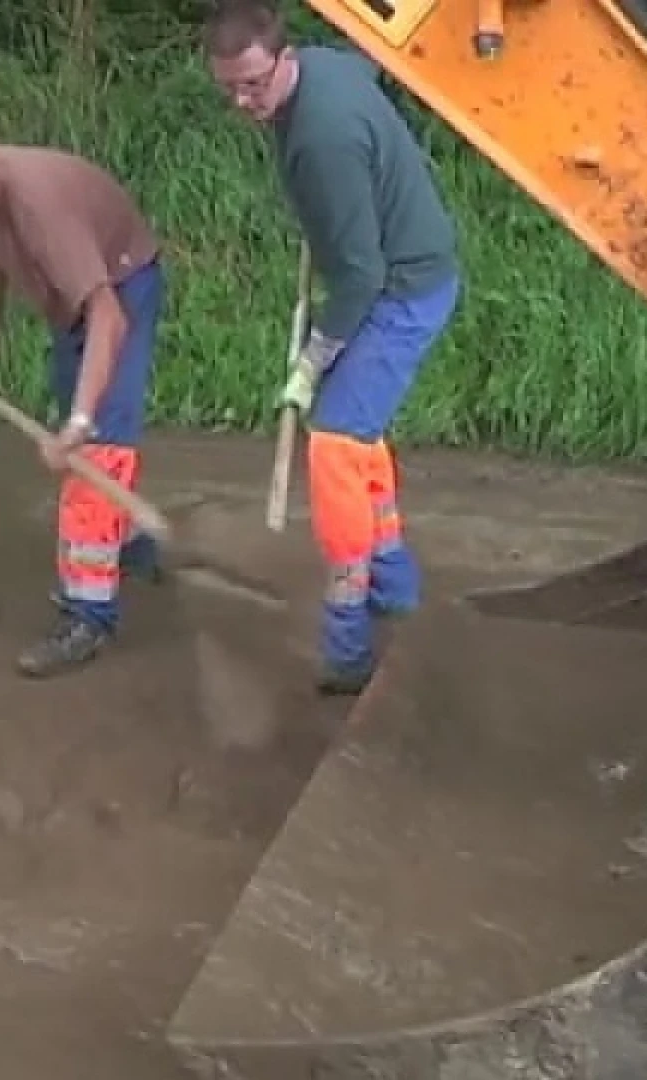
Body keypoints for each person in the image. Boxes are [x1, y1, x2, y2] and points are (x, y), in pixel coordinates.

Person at [203, 0, 463, 696]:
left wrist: (311, 362)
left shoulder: (322, 139)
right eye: (228, 86)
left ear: (284, 59)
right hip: (396, 271)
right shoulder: (323, 67)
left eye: (254, 83)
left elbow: (360, 276)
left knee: (337, 442)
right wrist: (331, 222)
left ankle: (349, 643)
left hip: (403, 290)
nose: (242, 99)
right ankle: (397, 590)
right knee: (358, 424)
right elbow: (366, 71)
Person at [0, 103, 167, 678]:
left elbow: (109, 318)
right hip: (68, 297)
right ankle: (129, 543)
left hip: (121, 285)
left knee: (94, 449)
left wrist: (78, 426)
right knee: (85, 417)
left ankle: (89, 616)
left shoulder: (38, 206)